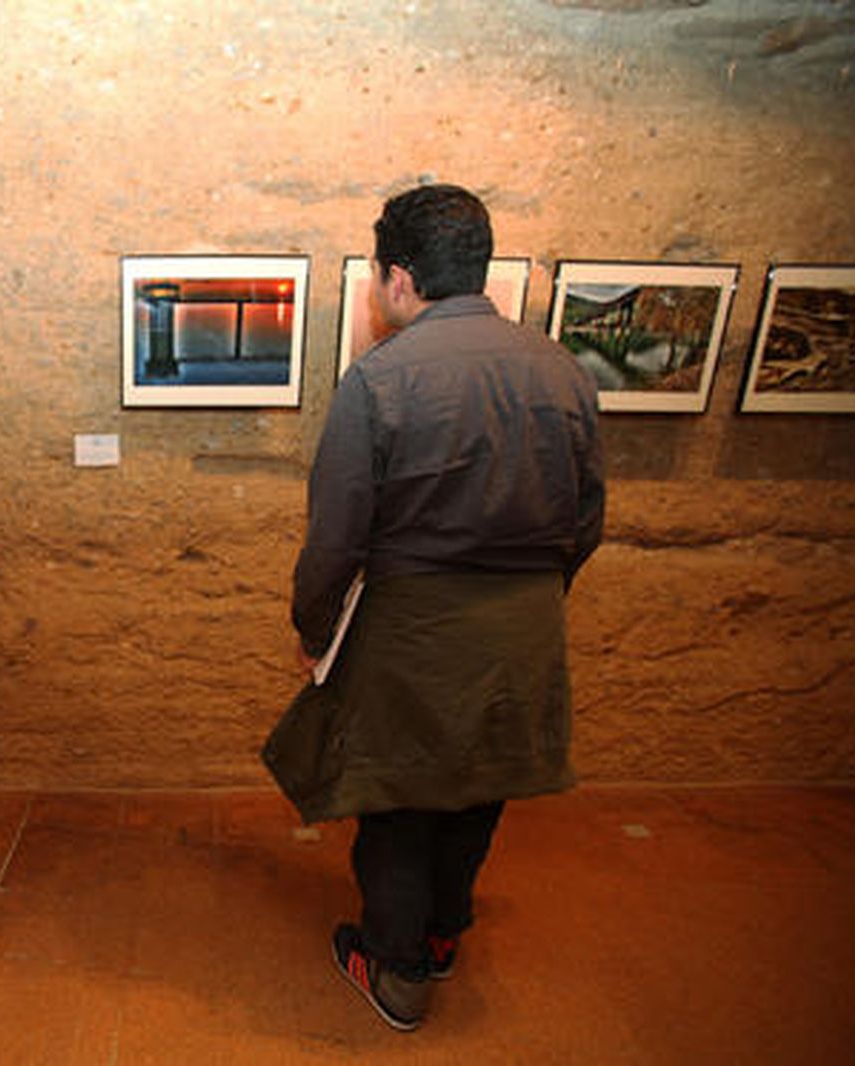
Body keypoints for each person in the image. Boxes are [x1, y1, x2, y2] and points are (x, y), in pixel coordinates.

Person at [289, 184, 605, 1032]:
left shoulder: (380, 379)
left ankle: (396, 971)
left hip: (414, 628)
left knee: (397, 799)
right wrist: (529, 597)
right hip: (524, 627)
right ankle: (438, 935)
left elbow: (335, 539)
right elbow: (587, 521)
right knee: (478, 789)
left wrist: (315, 630)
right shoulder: (563, 370)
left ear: (398, 276)